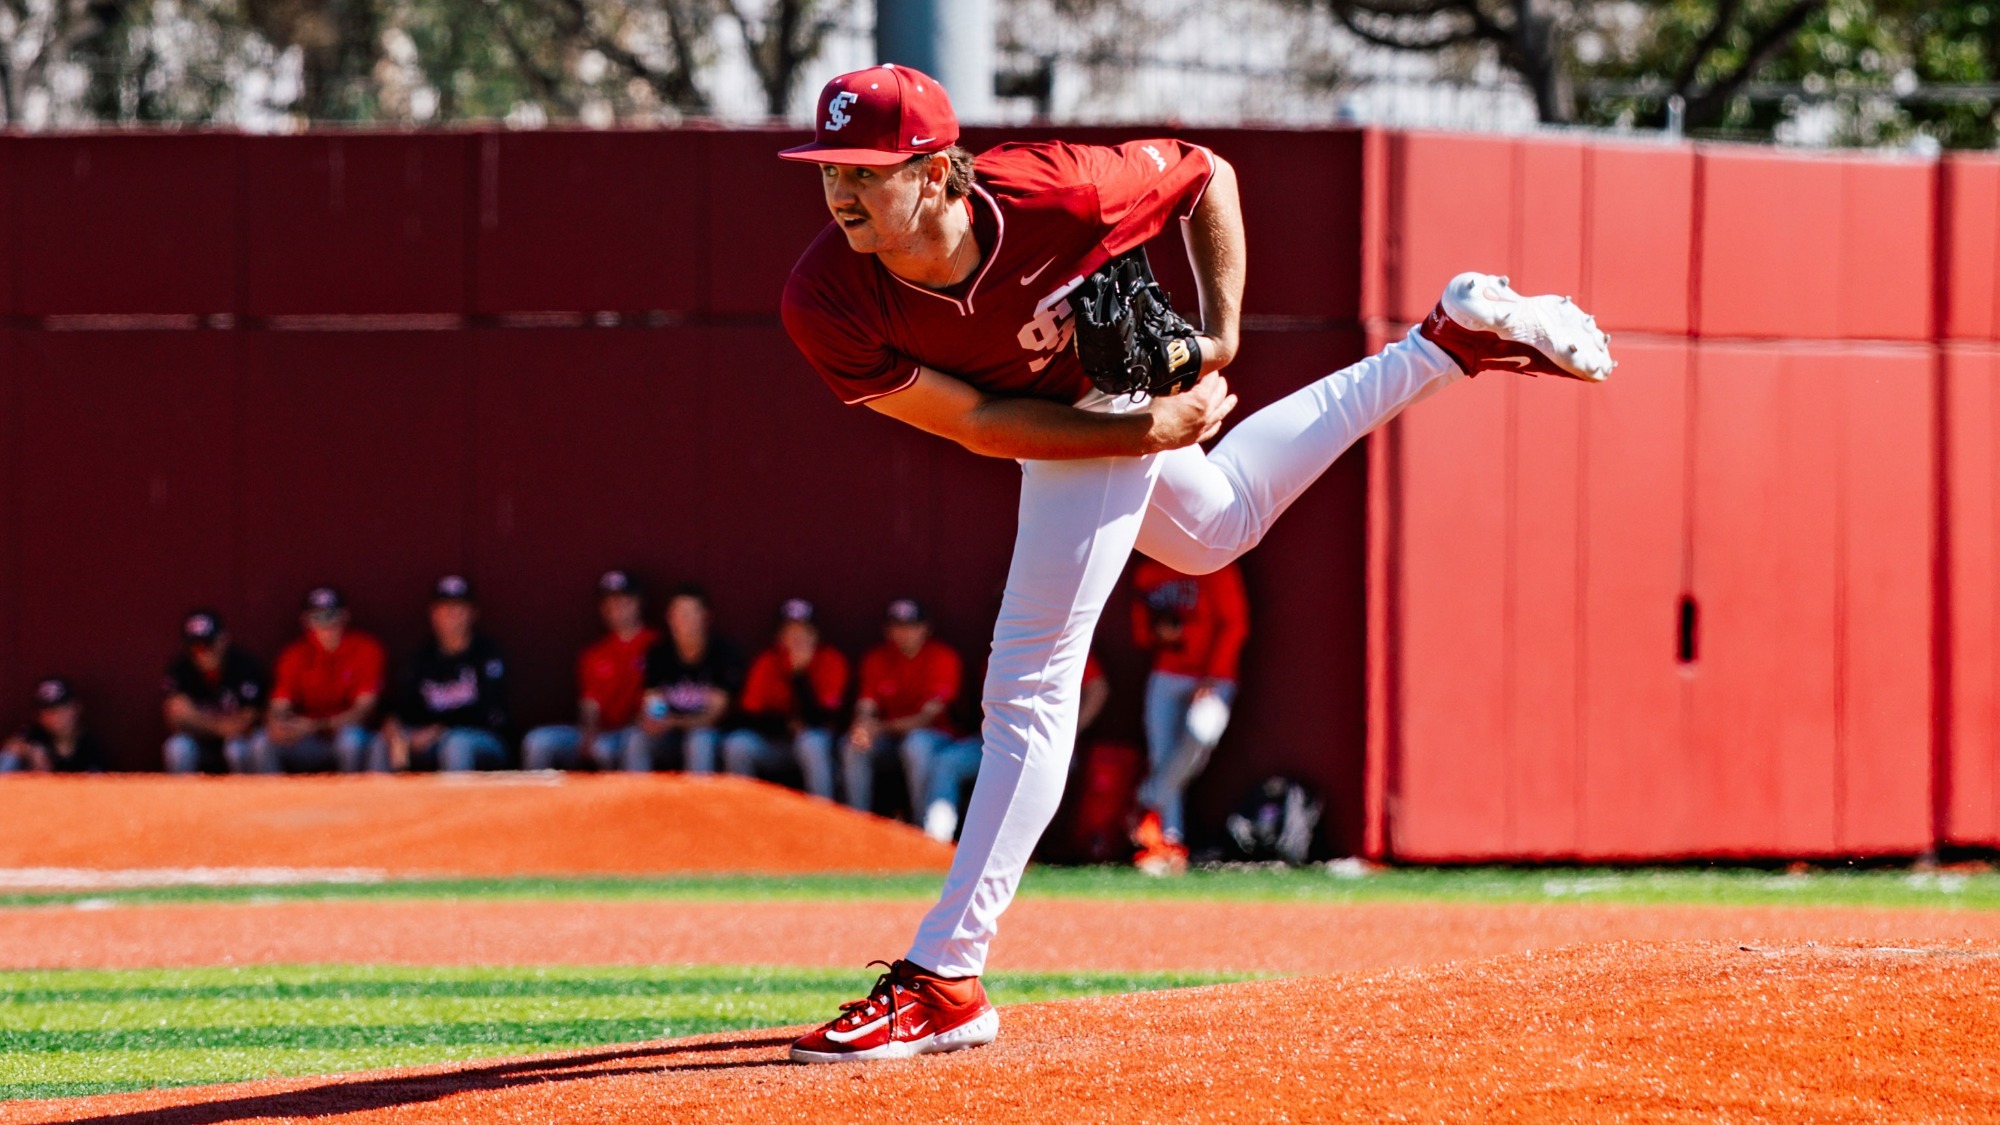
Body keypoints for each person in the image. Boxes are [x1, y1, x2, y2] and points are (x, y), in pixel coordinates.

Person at [773, 64, 1614, 1062]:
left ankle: (944, 975)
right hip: (1074, 417)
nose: (838, 189)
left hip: (1114, 387)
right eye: (829, 166)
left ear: (933, 171)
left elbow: (1205, 175)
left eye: (865, 168)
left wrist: (1217, 339)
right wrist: (1148, 434)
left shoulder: (1061, 187)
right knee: (1218, 528)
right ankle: (1443, 343)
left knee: (1031, 680)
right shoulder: (823, 295)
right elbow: (982, 422)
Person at [1130, 559, 1249, 875]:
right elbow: (1142, 634)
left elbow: (1235, 624)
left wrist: (1211, 677)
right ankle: (1169, 842)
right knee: (1161, 754)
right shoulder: (1150, 572)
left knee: (1202, 731)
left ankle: (1149, 797)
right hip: (1168, 672)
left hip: (1213, 676)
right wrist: (1163, 633)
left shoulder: (1217, 564)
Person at [924, 651, 1109, 845]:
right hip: (998, 745)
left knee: (1029, 778)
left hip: (1046, 748)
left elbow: (1098, 688)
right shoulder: (1003, 649)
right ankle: (936, 842)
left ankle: (1022, 849)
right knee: (947, 762)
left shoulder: (1061, 646)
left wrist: (1070, 731)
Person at [521, 570, 656, 772]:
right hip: (600, 732)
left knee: (609, 747)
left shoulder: (656, 646)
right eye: (609, 602)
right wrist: (589, 734)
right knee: (538, 742)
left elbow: (656, 701)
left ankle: (621, 803)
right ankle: (540, 803)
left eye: (622, 600)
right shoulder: (594, 654)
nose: (615, 608)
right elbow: (589, 704)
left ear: (637, 602)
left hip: (637, 732)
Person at [841, 598, 963, 818]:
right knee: (854, 744)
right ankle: (855, 820)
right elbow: (866, 704)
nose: (904, 632)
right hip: (889, 739)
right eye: (897, 626)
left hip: (935, 737)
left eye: (911, 626)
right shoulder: (877, 658)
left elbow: (927, 717)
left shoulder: (942, 657)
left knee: (916, 745)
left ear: (925, 629)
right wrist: (862, 726)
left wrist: (879, 728)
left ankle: (921, 829)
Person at [377, 575, 509, 772]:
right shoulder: (422, 657)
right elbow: (403, 704)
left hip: (484, 740)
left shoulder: (487, 654)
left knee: (456, 743)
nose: (451, 615)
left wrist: (439, 730)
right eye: (444, 608)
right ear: (433, 614)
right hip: (430, 739)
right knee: (382, 743)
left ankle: (458, 804)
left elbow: (489, 713)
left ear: (472, 613)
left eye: (458, 609)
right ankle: (378, 802)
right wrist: (393, 724)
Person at [720, 598, 847, 800]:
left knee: (811, 741)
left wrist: (799, 676)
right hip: (775, 743)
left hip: (815, 745)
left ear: (815, 635)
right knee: (738, 745)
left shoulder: (831, 661)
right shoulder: (767, 662)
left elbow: (822, 718)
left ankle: (823, 815)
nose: (797, 638)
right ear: (780, 637)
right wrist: (786, 726)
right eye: (790, 631)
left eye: (804, 631)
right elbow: (748, 716)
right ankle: (742, 815)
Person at [262, 586, 384, 773]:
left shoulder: (366, 649)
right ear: (306, 621)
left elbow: (363, 711)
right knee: (260, 743)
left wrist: (314, 725)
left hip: (350, 738)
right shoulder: (295, 655)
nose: (326, 624)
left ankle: (354, 799)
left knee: (350, 740)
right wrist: (278, 724)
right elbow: (279, 705)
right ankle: (274, 801)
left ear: (345, 616)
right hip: (307, 741)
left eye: (332, 615)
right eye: (317, 617)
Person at [635, 583, 742, 774]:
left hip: (714, 737)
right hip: (670, 736)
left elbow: (714, 716)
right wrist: (653, 720)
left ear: (705, 617)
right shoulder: (659, 653)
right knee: (636, 738)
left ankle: (699, 803)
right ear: (669, 618)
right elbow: (653, 703)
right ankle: (634, 802)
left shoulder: (723, 653)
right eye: (677, 614)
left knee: (699, 739)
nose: (683, 620)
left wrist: (672, 722)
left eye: (690, 613)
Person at [161, 610, 267, 775]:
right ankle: (180, 799)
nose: (202, 652)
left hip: (237, 742)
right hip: (201, 743)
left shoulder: (244, 665)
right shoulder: (181, 669)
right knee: (177, 747)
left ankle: (249, 799)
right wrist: (220, 727)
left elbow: (247, 720)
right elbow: (176, 716)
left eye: (208, 644)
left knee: (236, 748)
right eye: (195, 646)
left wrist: (197, 719)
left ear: (223, 640)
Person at [1, 678, 108, 773]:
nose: (54, 717)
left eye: (61, 709)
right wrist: (29, 751)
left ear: (76, 708)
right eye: (47, 711)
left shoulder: (89, 747)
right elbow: (11, 749)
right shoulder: (33, 735)